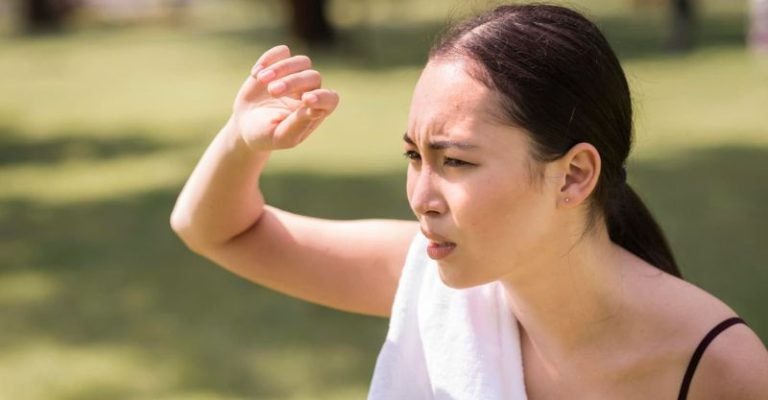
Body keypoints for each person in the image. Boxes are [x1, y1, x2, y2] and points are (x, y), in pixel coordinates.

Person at [170, 4, 768, 399]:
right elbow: (216, 230)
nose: (421, 197)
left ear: (574, 175)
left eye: (455, 161)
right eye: (414, 157)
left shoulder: (719, 368)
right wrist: (240, 142)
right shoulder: (428, 280)